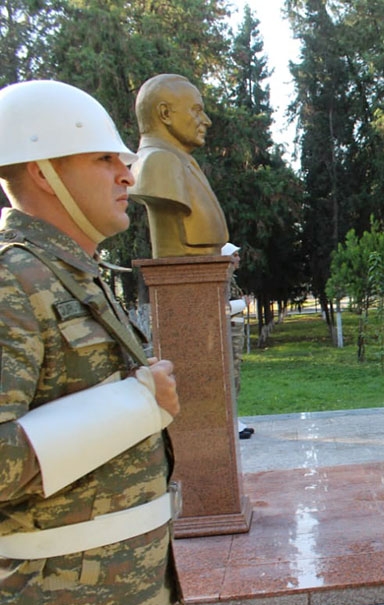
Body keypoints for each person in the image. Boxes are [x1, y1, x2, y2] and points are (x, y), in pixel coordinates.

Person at [0, 80, 180, 605]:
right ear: (42, 172)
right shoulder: (11, 281)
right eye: (104, 159)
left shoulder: (67, 272)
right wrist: (135, 405)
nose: (127, 175)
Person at [130, 73, 228, 258]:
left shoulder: (181, 160)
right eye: (196, 110)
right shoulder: (159, 161)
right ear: (165, 114)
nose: (206, 121)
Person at [222, 242, 254, 440]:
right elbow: (220, 306)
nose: (238, 258)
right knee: (231, 378)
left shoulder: (229, 278)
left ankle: (234, 420)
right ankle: (231, 423)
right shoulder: (223, 279)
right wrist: (243, 303)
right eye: (234, 255)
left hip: (234, 334)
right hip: (230, 334)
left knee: (235, 378)